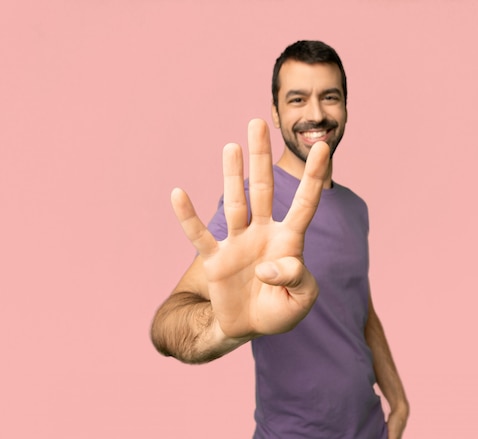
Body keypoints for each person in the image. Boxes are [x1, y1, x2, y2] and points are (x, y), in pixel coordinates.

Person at [151, 40, 409, 438]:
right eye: (297, 99)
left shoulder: (357, 209)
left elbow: (361, 311)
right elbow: (168, 323)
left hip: (369, 428)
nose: (316, 114)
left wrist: (399, 400)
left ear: (345, 106)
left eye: (330, 97)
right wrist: (225, 328)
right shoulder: (257, 204)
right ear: (275, 112)